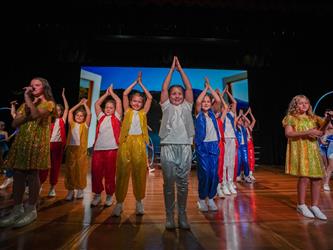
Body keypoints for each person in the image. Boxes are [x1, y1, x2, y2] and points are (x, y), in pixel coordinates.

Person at [0, 77, 55, 228]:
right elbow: (14, 123)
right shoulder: (25, 105)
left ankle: (31, 209)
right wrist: (27, 107)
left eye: (37, 85)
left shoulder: (49, 104)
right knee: (18, 173)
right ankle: (17, 210)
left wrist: (27, 100)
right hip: (22, 143)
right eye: (31, 85)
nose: (33, 87)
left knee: (32, 174)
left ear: (44, 87)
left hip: (36, 144)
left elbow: (37, 115)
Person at [159, 56, 194, 230]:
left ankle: (182, 214)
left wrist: (181, 70)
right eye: (174, 93)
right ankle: (169, 216)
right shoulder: (166, 106)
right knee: (169, 182)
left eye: (179, 93)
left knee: (183, 183)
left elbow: (188, 87)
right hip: (168, 146)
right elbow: (164, 87)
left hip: (185, 147)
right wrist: (172, 71)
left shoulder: (188, 106)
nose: (177, 96)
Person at [282, 95, 332, 220]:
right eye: (300, 103)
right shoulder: (291, 118)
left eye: (306, 103)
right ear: (295, 105)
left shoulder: (313, 117)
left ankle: (315, 206)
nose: (304, 105)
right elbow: (288, 133)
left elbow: (320, 133)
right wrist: (307, 132)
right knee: (304, 177)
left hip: (313, 150)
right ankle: (301, 204)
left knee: (317, 178)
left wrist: (327, 121)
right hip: (300, 150)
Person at [112, 72, 152, 216]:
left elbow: (150, 97)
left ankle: (139, 202)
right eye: (134, 100)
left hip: (139, 143)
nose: (136, 103)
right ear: (130, 102)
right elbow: (124, 94)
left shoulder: (143, 113)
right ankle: (119, 203)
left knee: (139, 173)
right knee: (122, 173)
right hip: (126, 142)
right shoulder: (127, 110)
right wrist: (135, 82)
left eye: (139, 102)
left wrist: (141, 84)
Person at [91, 84, 122, 207]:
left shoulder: (117, 118)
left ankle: (110, 195)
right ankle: (97, 195)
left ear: (115, 109)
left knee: (110, 173)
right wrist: (105, 94)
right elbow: (96, 104)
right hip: (98, 149)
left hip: (112, 149)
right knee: (96, 173)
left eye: (111, 107)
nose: (108, 109)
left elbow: (119, 101)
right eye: (107, 107)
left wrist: (112, 93)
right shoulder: (101, 117)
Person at [194, 78, 221, 212]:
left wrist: (210, 87)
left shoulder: (212, 114)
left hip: (214, 145)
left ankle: (210, 198)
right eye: (204, 101)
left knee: (213, 173)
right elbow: (198, 101)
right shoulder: (198, 114)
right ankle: (201, 199)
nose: (205, 103)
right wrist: (205, 89)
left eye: (208, 101)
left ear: (211, 104)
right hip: (202, 146)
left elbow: (219, 101)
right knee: (204, 173)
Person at [39, 88, 69, 197]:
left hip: (58, 146)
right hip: (47, 144)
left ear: (61, 112)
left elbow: (67, 108)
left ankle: (52, 187)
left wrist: (63, 96)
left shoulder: (62, 120)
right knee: (44, 166)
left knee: (55, 167)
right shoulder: (48, 120)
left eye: (59, 110)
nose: (58, 112)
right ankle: (40, 185)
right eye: (55, 110)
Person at [64, 98, 91, 201]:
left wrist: (85, 105)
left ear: (84, 118)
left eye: (81, 116)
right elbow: (70, 111)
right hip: (71, 150)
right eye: (77, 115)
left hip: (81, 152)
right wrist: (79, 103)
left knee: (81, 170)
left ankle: (80, 190)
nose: (79, 117)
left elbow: (89, 114)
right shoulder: (72, 124)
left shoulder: (85, 126)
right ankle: (70, 190)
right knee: (70, 171)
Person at [0, 101, 18, 189]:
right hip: (18, 143)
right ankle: (9, 177)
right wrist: (12, 105)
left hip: (27, 145)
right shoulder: (19, 120)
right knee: (9, 161)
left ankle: (26, 185)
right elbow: (13, 114)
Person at [319, 110, 333, 191]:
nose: (329, 115)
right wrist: (321, 141)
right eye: (327, 113)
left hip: (331, 143)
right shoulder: (321, 121)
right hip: (322, 144)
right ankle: (324, 181)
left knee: (331, 165)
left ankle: (326, 183)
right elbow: (319, 132)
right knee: (324, 165)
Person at [244, 107, 256, 181]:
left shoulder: (249, 128)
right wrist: (245, 114)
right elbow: (243, 119)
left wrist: (250, 113)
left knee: (251, 158)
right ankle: (244, 173)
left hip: (250, 144)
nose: (247, 122)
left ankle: (250, 173)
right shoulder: (241, 128)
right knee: (246, 159)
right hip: (244, 145)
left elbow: (254, 120)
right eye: (245, 122)